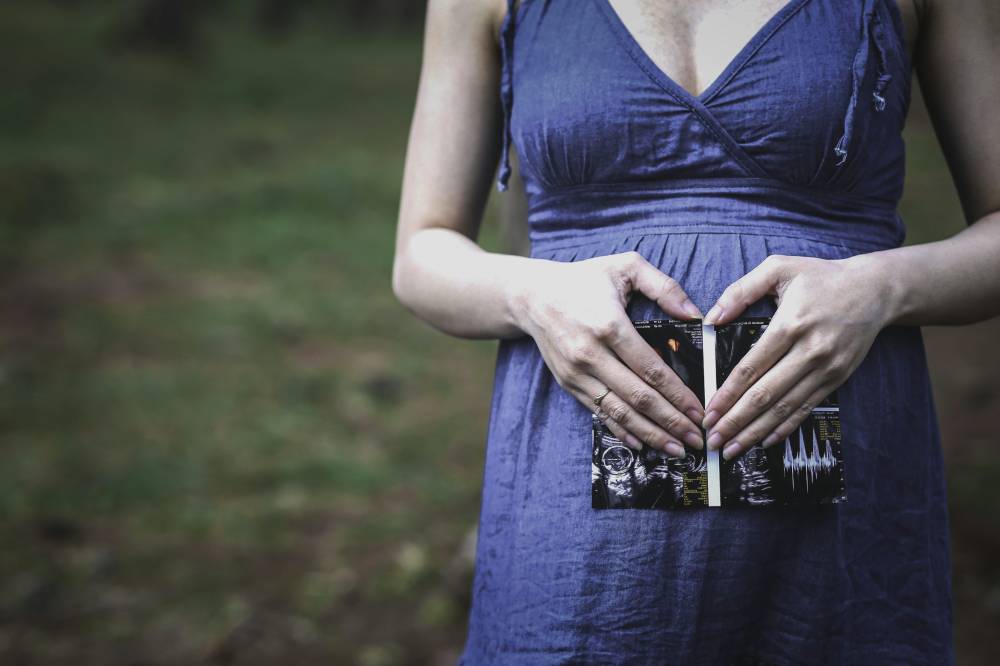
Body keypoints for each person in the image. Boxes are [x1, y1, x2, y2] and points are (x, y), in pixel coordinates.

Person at [392, 0, 1000, 662]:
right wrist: (532, 294)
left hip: (844, 502)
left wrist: (882, 288)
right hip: (575, 518)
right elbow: (421, 254)